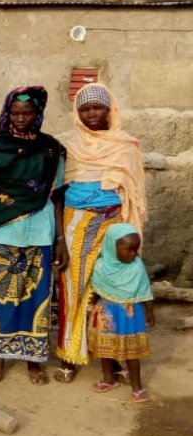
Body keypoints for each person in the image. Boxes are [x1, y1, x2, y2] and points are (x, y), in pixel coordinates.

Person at [55, 83, 147, 382]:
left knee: (112, 291)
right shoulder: (68, 146)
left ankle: (114, 356)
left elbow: (134, 190)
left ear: (110, 109)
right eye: (85, 108)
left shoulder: (126, 145)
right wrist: (59, 239)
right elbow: (57, 192)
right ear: (77, 113)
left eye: (97, 107)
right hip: (76, 223)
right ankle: (70, 354)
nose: (91, 113)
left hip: (115, 224)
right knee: (74, 288)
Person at [0, 86, 68, 385]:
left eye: (27, 113)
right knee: (2, 296)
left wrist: (60, 240)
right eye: (15, 112)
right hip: (3, 231)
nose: (20, 118)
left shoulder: (52, 149)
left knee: (37, 298)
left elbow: (55, 196)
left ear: (37, 113)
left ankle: (33, 359)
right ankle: (0, 356)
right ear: (7, 112)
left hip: (41, 232)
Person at [87, 223, 155, 401]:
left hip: (129, 313)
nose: (133, 254)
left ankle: (137, 386)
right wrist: (91, 305)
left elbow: (144, 290)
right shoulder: (101, 266)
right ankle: (108, 378)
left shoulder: (136, 266)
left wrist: (149, 312)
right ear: (111, 246)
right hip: (106, 312)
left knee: (132, 353)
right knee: (105, 350)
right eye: (128, 249)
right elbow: (96, 287)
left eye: (135, 249)